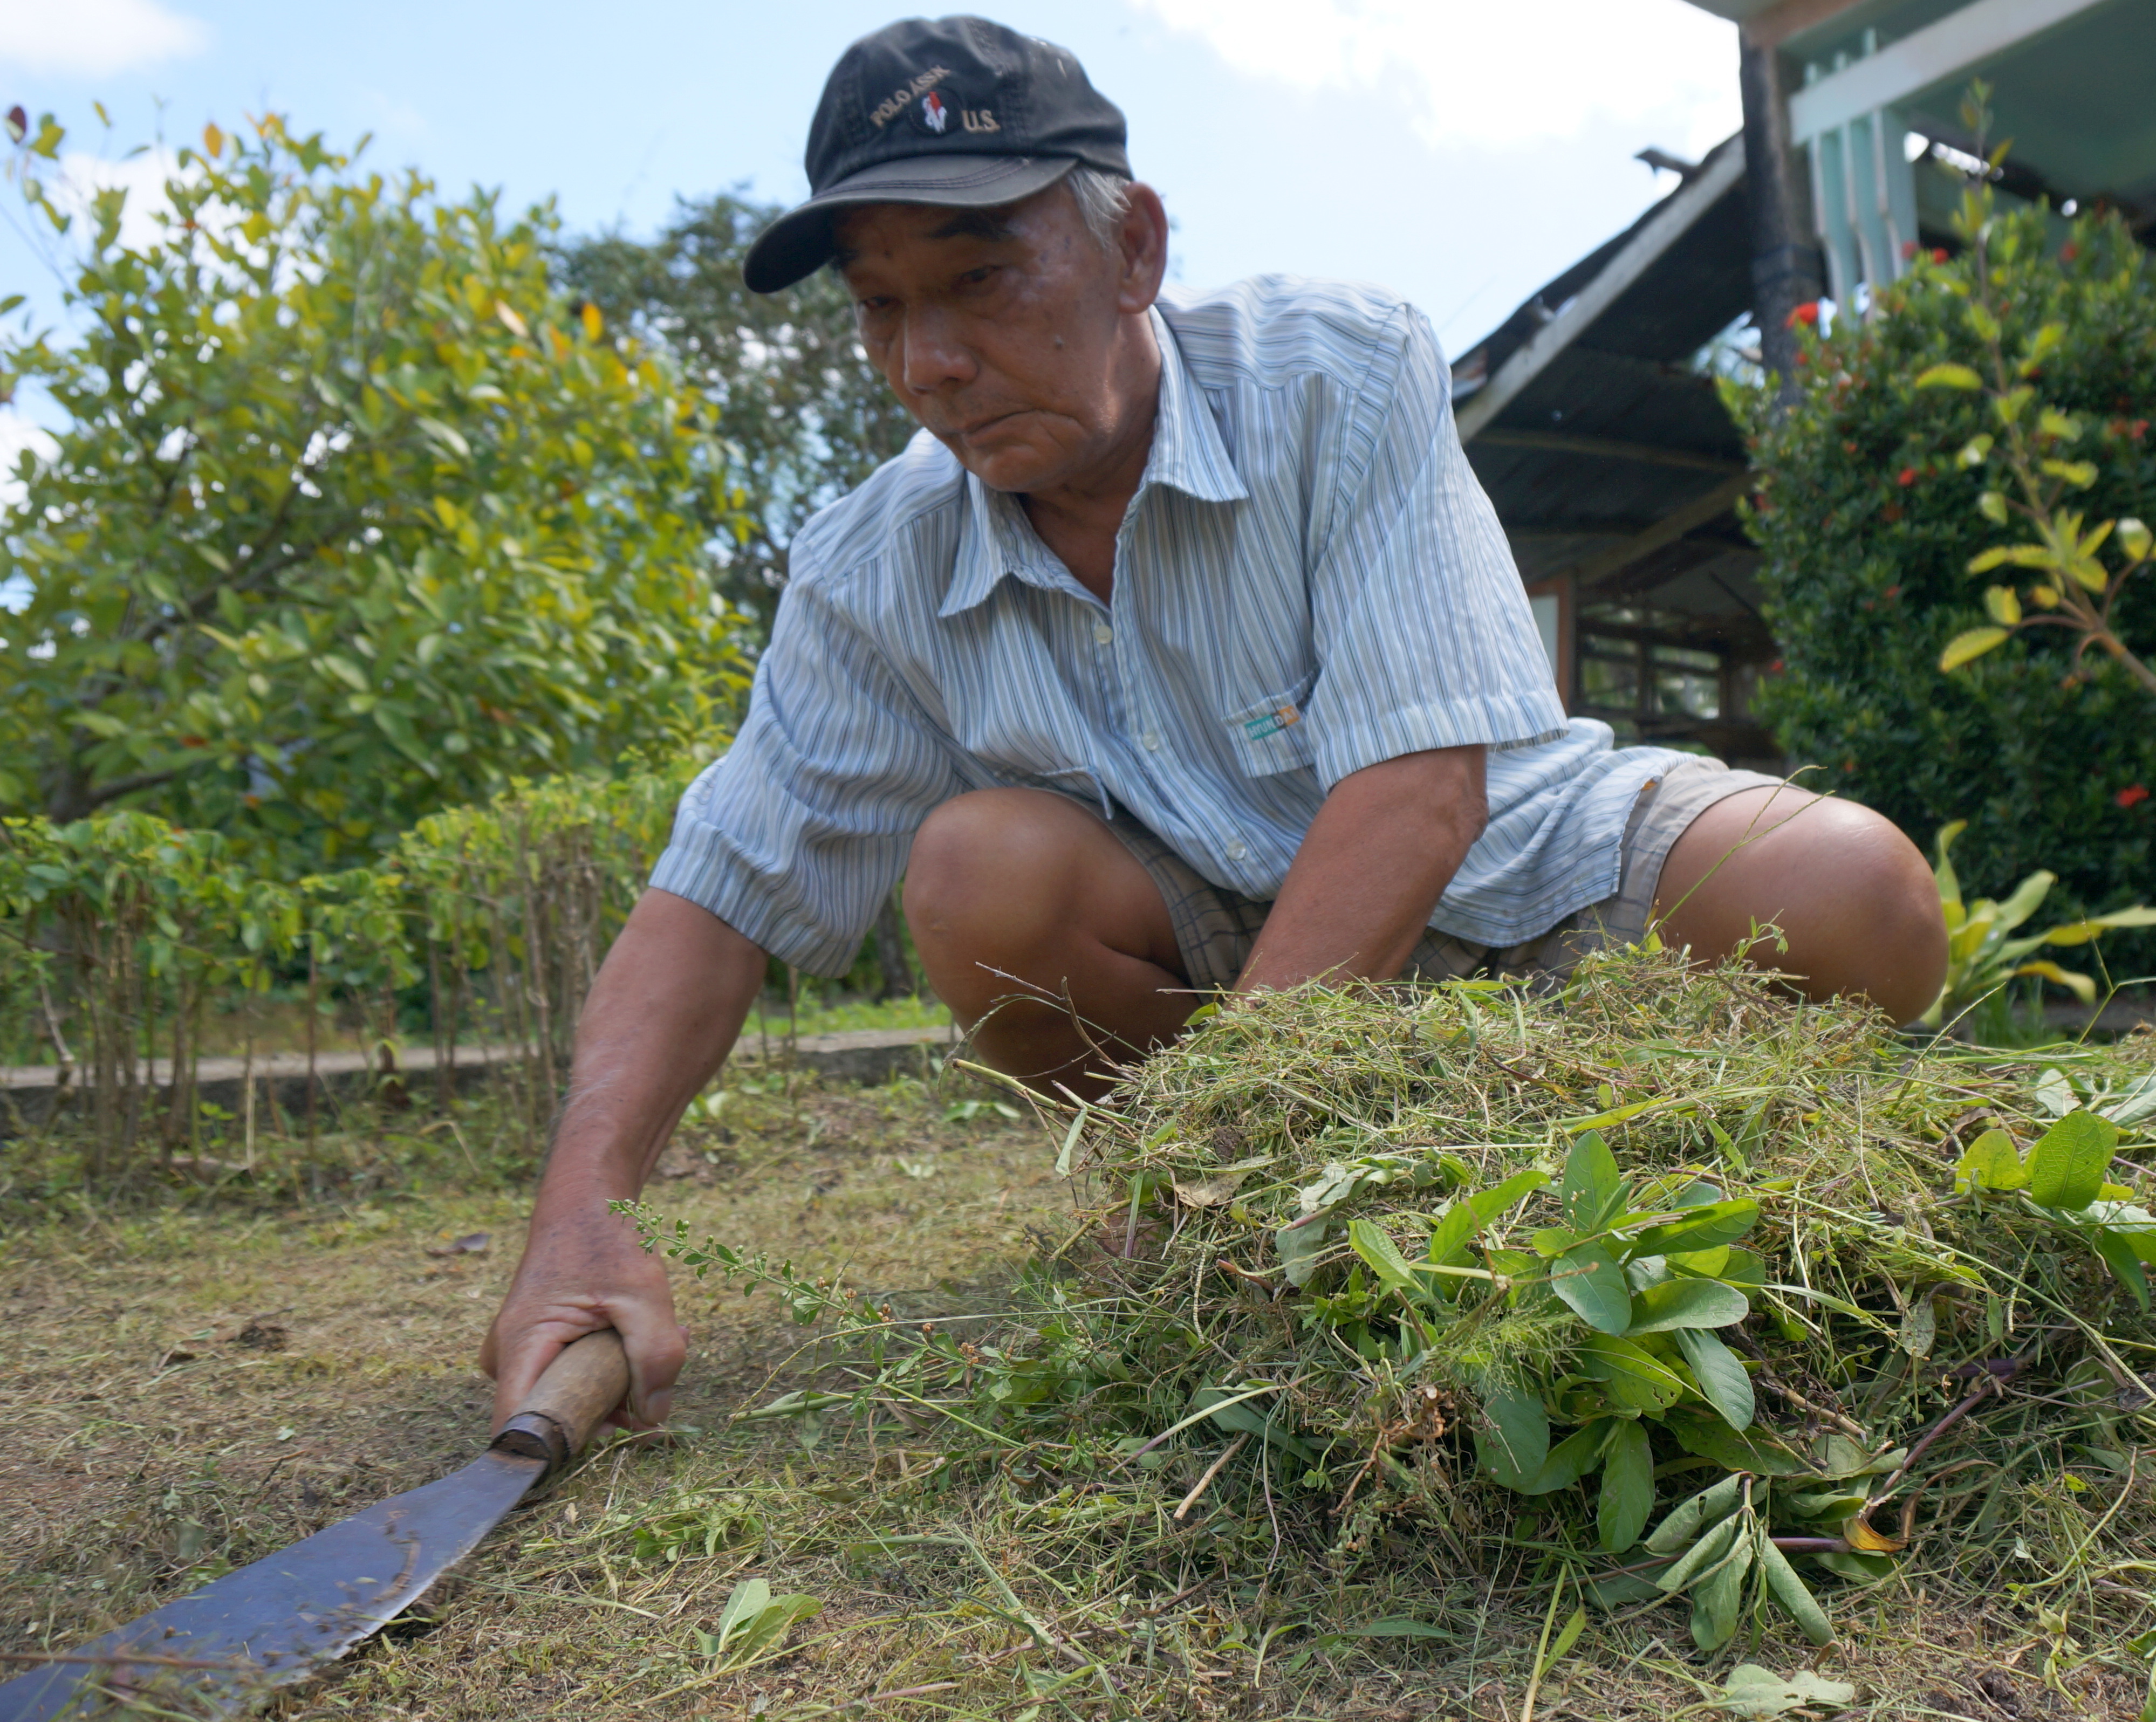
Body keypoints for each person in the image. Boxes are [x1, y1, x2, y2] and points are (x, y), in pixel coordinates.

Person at [480, 15, 1948, 1432]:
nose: (928, 359)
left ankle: (1410, 1173)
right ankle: (1256, 1200)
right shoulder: (872, 566)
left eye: (982, 278)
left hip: (1519, 872)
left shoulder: (1338, 373)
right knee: (976, 874)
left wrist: (1214, 1143)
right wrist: (578, 1220)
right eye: (881, 305)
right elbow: (719, 888)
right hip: (1223, 964)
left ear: (1135, 250)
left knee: (1858, 894)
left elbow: (1425, 791)